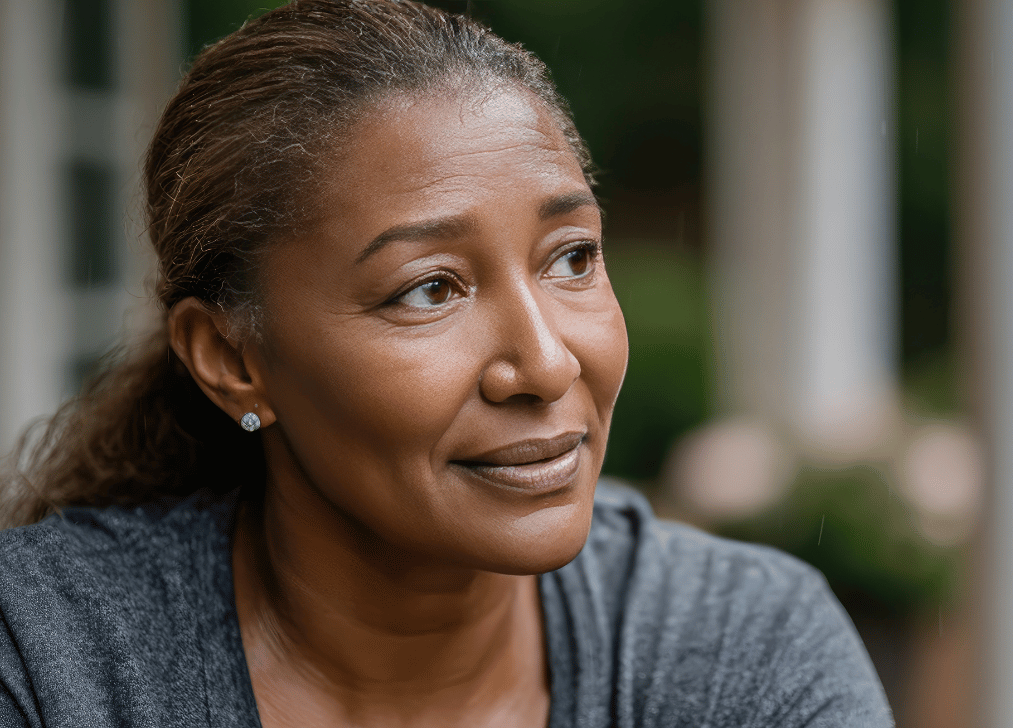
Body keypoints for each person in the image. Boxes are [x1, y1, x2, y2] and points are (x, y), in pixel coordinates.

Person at [0, 1, 892, 726]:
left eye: (572, 257)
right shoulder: (45, 661)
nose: (546, 363)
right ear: (232, 358)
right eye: (429, 289)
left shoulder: (745, 653)